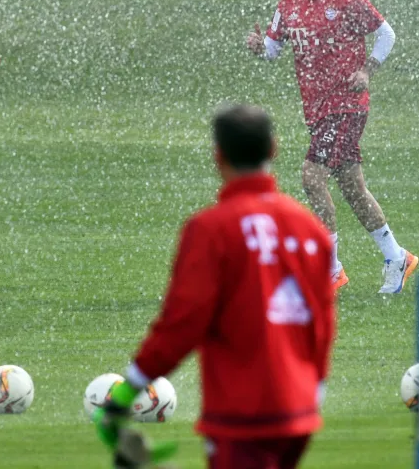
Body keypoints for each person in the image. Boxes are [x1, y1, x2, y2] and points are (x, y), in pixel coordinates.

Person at [94, 104, 335, 469]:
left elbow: (183, 321)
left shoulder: (210, 230)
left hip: (240, 414)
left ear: (217, 155)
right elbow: (322, 320)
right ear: (274, 148)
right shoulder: (310, 229)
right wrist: (314, 385)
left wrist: (130, 386)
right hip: (299, 411)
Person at [245, 0, 417, 294]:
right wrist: (259, 48)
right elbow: (274, 50)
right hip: (318, 110)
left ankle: (330, 268)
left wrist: (368, 70)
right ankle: (396, 256)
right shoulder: (288, 5)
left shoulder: (347, 1)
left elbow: (386, 34)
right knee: (353, 189)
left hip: (347, 104)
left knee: (312, 176)